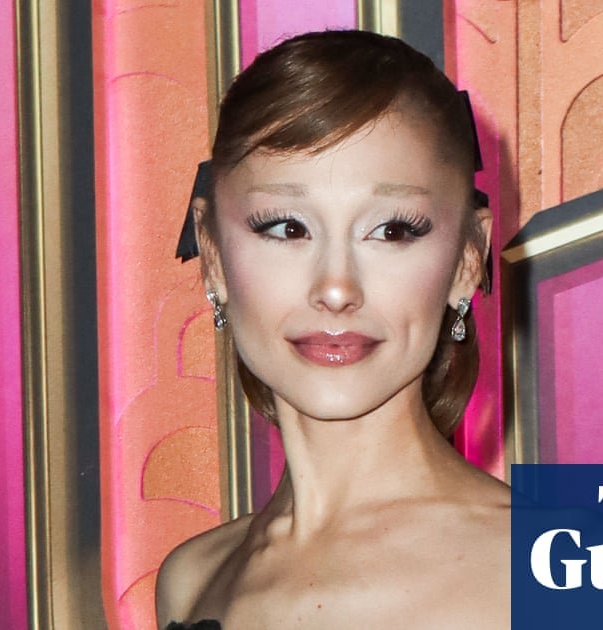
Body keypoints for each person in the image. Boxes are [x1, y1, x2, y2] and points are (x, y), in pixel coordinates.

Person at [157, 30, 509, 629]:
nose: (337, 289)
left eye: (393, 230)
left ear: (466, 260)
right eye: (287, 228)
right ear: (213, 254)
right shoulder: (191, 579)